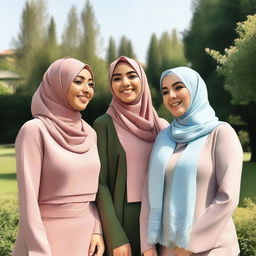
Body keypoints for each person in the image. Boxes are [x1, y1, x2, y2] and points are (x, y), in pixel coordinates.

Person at [140, 67, 243, 256]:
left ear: (195, 90)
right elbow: (148, 192)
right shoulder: (164, 137)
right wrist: (146, 246)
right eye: (165, 91)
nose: (171, 95)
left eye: (178, 87)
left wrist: (189, 244)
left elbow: (228, 197)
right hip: (168, 248)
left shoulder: (221, 133)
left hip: (212, 248)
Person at [12, 57, 104, 256]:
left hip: (87, 240)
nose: (87, 89)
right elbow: (28, 203)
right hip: (48, 240)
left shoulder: (90, 133)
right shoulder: (34, 131)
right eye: (78, 81)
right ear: (57, 85)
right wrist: (39, 251)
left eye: (90, 83)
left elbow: (91, 197)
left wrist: (97, 229)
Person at [93, 56, 168, 256]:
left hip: (161, 222)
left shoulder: (162, 127)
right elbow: (100, 184)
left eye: (131, 76)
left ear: (142, 80)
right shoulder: (104, 125)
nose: (125, 83)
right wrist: (115, 236)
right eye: (116, 78)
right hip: (125, 219)